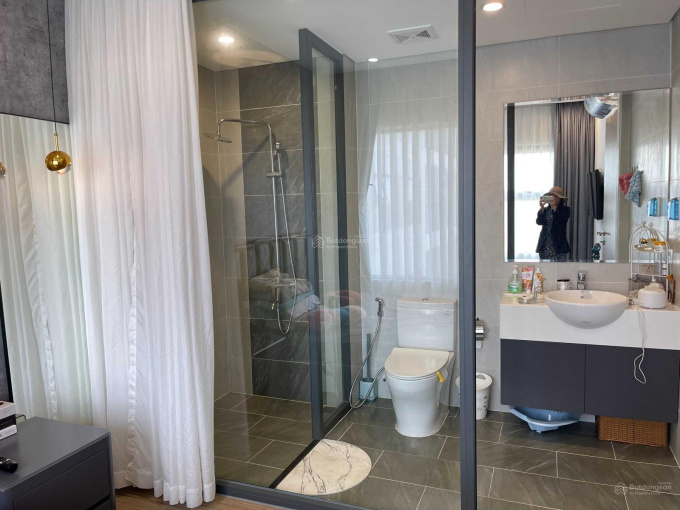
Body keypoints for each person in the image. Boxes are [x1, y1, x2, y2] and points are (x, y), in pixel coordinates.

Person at [536, 186, 570, 261]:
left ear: (560, 198)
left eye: (555, 196)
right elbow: (539, 222)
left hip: (558, 245)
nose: (553, 198)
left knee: (558, 267)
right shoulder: (545, 210)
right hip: (544, 244)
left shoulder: (565, 210)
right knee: (544, 267)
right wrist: (542, 208)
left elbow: (560, 222)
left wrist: (554, 207)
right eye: (551, 196)